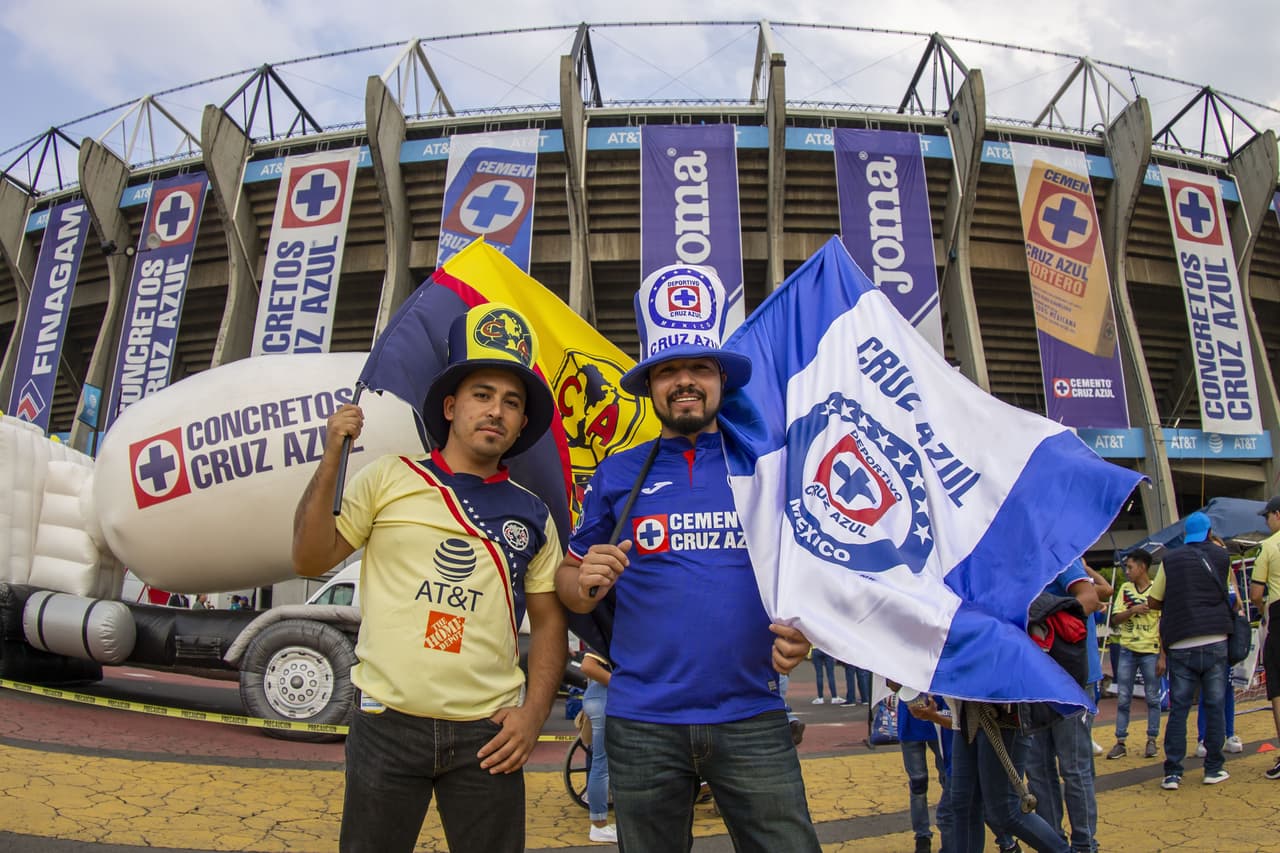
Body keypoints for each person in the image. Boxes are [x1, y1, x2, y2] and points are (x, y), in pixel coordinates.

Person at [555, 266, 821, 853]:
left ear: (721, 380)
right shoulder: (619, 471)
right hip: (642, 720)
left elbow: (814, 570)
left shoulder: (769, 465)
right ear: (649, 386)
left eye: (699, 367)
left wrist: (808, 633)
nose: (684, 382)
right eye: (668, 370)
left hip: (752, 714)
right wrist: (585, 580)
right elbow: (570, 585)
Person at [293, 303, 568, 853]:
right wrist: (331, 456)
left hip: (487, 734)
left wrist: (533, 715)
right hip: (386, 726)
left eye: (512, 403)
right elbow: (309, 557)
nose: (496, 411)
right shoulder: (389, 478)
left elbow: (548, 626)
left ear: (519, 424)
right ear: (451, 405)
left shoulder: (533, 513)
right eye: (482, 395)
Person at [1148, 510, 1233, 789]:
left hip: (1181, 640)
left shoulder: (1169, 560)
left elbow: (1153, 601)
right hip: (1216, 638)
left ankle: (1173, 772)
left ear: (1186, 534)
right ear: (1209, 532)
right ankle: (1213, 768)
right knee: (1215, 704)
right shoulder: (1222, 556)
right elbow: (1228, 594)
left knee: (1179, 708)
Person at [1022, 559, 1101, 853]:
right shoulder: (1014, 560)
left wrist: (1049, 618)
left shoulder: (1054, 552)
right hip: (1036, 680)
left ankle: (1084, 844)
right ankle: (1054, 844)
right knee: (1038, 769)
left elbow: (1090, 598)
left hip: (1071, 678)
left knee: (1074, 767)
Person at [1106, 549, 1161, 761]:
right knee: (1123, 697)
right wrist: (1133, 610)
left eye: (1130, 567)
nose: (1127, 571)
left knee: (1153, 697)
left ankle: (1152, 739)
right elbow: (1115, 618)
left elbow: (1163, 621)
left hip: (1150, 650)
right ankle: (1120, 741)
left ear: (1142, 567)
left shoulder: (1157, 588)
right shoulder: (1125, 589)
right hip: (1127, 649)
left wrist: (1163, 655)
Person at [892, 684, 953, 853]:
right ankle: (922, 837)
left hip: (939, 716)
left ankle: (951, 838)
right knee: (918, 783)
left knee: (949, 779)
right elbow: (891, 684)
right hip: (910, 718)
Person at [1249, 495, 1280, 779]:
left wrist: (1263, 610)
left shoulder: (1268, 547)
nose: (1266, 521)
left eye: (1267, 516)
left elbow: (1256, 594)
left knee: (1278, 687)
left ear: (1278, 515)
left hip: (1279, 613)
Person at [580, 650, 616, 844]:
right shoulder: (608, 637)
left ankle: (600, 822)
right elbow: (587, 665)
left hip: (598, 698)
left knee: (601, 763)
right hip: (604, 700)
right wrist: (622, 686)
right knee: (601, 765)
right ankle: (598, 824)